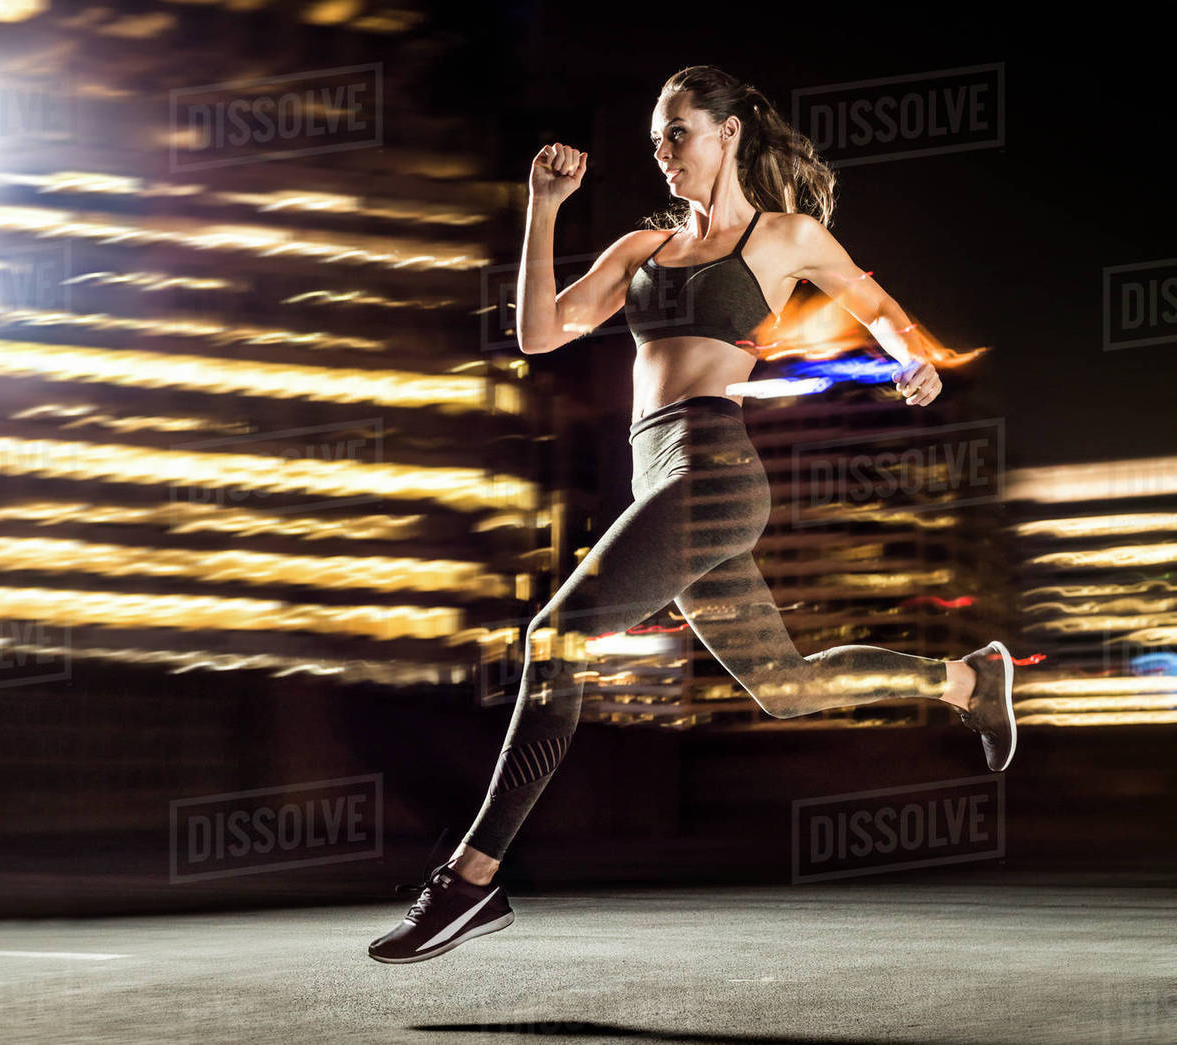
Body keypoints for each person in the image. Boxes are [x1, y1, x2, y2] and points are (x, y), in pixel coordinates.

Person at [368, 65, 1016, 964]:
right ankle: (965, 680)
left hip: (713, 472)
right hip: (659, 479)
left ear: (730, 134)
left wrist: (914, 360)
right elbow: (538, 333)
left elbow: (878, 306)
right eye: (656, 139)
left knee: (557, 636)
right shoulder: (640, 250)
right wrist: (543, 204)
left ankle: (469, 881)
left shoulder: (784, 236)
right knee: (784, 688)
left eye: (678, 132)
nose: (663, 152)